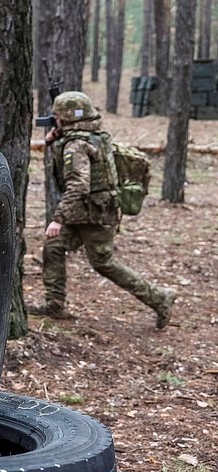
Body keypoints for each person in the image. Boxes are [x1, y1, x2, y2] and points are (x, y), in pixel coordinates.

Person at [33, 90, 176, 329]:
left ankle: (160, 298)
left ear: (66, 118)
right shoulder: (93, 135)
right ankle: (55, 305)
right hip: (85, 212)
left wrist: (57, 218)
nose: (54, 119)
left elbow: (79, 184)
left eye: (57, 116)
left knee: (104, 262)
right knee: (54, 248)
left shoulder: (76, 145)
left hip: (95, 215)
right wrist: (51, 141)